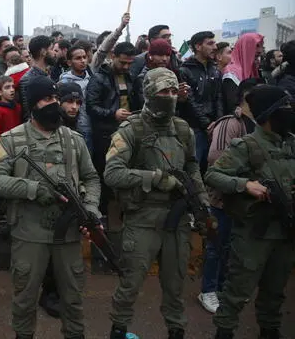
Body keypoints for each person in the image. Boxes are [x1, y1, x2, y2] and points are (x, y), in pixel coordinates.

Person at [0, 75, 101, 339]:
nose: (55, 104)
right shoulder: (11, 140)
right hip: (29, 232)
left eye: (56, 99)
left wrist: (91, 208)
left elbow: (91, 178)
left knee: (72, 298)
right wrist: (34, 190)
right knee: (25, 297)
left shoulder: (74, 139)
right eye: (48, 99)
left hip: (69, 233)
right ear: (33, 104)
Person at [104, 68, 207, 339]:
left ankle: (176, 330)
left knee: (175, 284)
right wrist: (157, 178)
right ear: (149, 92)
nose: (170, 97)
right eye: (164, 91)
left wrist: (201, 200)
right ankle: (118, 330)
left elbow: (193, 166)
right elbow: (112, 173)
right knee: (131, 282)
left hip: (178, 218)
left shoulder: (183, 129)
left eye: (174, 91)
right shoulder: (132, 129)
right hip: (143, 217)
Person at [205, 85, 295, 339]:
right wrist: (245, 185)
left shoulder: (291, 144)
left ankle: (269, 330)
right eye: (284, 108)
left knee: (275, 291)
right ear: (268, 115)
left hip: (286, 233)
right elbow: (213, 175)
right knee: (237, 291)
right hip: (255, 234)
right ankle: (224, 332)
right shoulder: (247, 146)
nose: (290, 113)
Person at [197, 78, 259, 314]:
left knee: (233, 247)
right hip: (223, 199)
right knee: (216, 245)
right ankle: (208, 290)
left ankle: (224, 289)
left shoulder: (257, 124)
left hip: (243, 199)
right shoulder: (231, 123)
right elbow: (216, 162)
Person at [86, 42, 138, 238]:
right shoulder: (99, 78)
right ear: (113, 56)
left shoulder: (131, 77)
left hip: (128, 133)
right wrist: (112, 114)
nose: (125, 67)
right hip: (105, 135)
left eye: (129, 63)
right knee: (105, 175)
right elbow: (91, 107)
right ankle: (104, 217)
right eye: (123, 62)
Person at [179, 31, 224, 174]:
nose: (215, 47)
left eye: (214, 43)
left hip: (214, 126)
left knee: (212, 167)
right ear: (198, 46)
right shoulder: (185, 70)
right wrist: (206, 123)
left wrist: (218, 121)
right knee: (194, 168)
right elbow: (190, 101)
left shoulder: (215, 69)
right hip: (195, 127)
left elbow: (219, 96)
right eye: (210, 43)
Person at [59, 42, 94, 152]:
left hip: (91, 126)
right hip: (73, 128)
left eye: (84, 57)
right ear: (69, 62)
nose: (83, 61)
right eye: (78, 58)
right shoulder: (64, 82)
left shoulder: (92, 79)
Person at [222, 33, 264, 115]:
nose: (260, 51)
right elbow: (233, 106)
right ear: (245, 47)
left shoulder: (254, 69)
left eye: (261, 46)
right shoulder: (231, 72)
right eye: (256, 46)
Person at [19, 35, 56, 121]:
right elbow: (28, 113)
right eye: (51, 49)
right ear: (43, 52)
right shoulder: (28, 79)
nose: (54, 53)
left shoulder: (47, 73)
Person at [0, 76, 21, 145]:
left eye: (13, 86)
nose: (12, 90)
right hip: (5, 147)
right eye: (7, 87)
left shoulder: (17, 106)